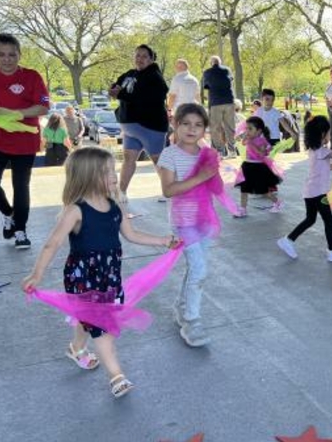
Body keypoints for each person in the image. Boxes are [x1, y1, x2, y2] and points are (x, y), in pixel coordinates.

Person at [21, 147, 176, 399]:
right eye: (107, 172)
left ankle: (76, 349)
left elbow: (132, 235)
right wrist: (36, 274)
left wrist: (163, 241)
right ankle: (116, 376)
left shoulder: (115, 207)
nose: (114, 175)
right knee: (101, 325)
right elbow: (53, 243)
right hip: (83, 277)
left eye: (113, 170)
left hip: (109, 276)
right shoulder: (76, 211)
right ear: (88, 176)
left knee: (88, 318)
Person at [0, 33, 50, 249]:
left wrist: (17, 113)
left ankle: (20, 231)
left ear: (19, 54)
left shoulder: (33, 76)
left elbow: (44, 106)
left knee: (21, 186)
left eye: (12, 54)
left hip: (25, 140)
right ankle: (9, 214)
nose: (7, 59)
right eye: (1, 54)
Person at [157, 104, 217, 348]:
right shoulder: (170, 155)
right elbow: (168, 190)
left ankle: (182, 308)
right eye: (186, 123)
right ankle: (192, 319)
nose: (192, 129)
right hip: (184, 223)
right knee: (199, 270)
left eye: (198, 124)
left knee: (196, 269)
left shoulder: (205, 153)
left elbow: (214, 187)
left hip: (204, 221)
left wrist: (214, 175)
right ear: (175, 125)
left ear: (204, 129)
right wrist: (200, 177)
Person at [277, 116, 332, 263]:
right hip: (318, 194)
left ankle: (288, 240)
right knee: (328, 219)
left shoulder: (315, 150)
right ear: (322, 134)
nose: (329, 135)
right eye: (328, 132)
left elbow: (326, 166)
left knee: (311, 219)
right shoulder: (322, 151)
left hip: (310, 192)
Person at [110, 44, 169, 203]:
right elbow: (118, 85)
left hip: (150, 126)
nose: (140, 59)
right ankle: (121, 193)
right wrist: (114, 89)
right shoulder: (130, 73)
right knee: (129, 159)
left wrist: (121, 94)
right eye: (137, 55)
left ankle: (169, 190)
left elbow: (147, 97)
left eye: (144, 56)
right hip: (130, 127)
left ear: (151, 59)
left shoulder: (155, 77)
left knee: (158, 161)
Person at [235, 116, 282, 217]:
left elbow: (261, 154)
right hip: (247, 165)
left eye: (250, 129)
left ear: (259, 131)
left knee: (264, 191)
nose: (247, 131)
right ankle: (243, 209)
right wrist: (244, 137)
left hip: (258, 168)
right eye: (246, 128)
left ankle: (277, 202)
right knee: (244, 189)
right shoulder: (249, 138)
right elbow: (243, 143)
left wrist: (251, 144)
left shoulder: (262, 141)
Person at [201, 56, 235, 156]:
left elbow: (206, 86)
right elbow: (230, 80)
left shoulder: (207, 72)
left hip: (215, 102)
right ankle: (232, 151)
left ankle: (220, 151)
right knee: (230, 127)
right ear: (220, 62)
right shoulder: (227, 69)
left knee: (215, 128)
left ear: (211, 63)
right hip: (229, 101)